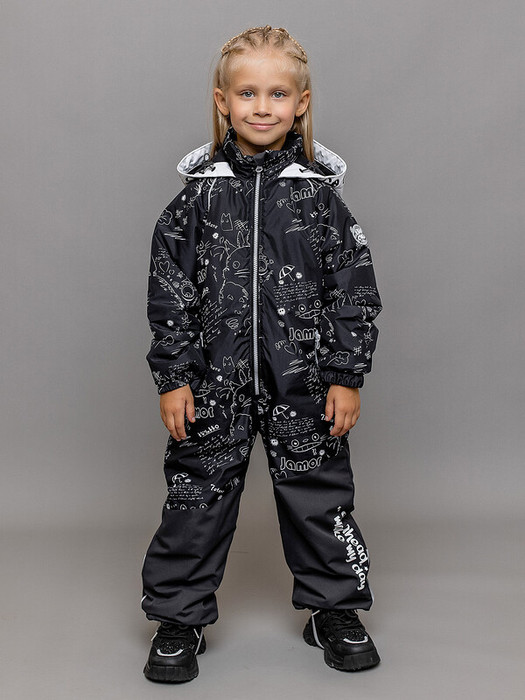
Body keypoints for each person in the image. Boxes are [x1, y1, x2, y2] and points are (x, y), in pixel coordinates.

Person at [140, 25, 382, 683]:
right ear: (222, 101)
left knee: (319, 498)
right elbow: (168, 293)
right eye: (247, 93)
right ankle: (178, 617)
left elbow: (353, 291)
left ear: (301, 103)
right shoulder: (195, 198)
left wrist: (345, 375)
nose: (262, 107)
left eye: (278, 94)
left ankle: (333, 610)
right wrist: (174, 377)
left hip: (303, 384)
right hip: (211, 385)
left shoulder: (320, 197)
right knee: (195, 500)